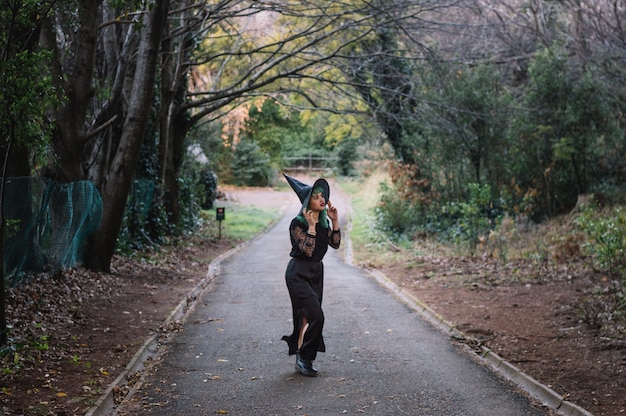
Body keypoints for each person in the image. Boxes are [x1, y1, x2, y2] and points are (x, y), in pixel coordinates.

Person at [281, 173, 341, 376]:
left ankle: (301, 356)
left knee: (306, 318)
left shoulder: (324, 222)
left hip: (316, 272)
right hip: (298, 273)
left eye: (323, 196)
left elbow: (335, 244)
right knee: (317, 316)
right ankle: (305, 357)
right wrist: (312, 228)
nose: (322, 199)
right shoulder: (297, 223)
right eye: (316, 197)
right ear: (308, 201)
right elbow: (307, 250)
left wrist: (334, 222)